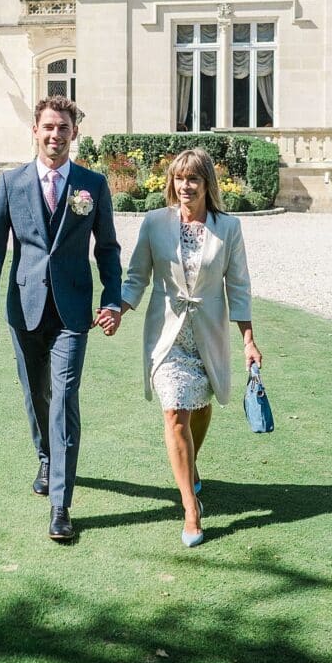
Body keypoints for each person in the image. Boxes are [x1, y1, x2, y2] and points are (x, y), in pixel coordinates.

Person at [0, 96, 122, 542]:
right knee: (35, 395)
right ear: (35, 131)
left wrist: (112, 300)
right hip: (25, 309)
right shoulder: (11, 183)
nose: (55, 135)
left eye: (63, 128)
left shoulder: (92, 185)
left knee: (64, 401)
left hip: (75, 313)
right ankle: (45, 457)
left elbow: (108, 250)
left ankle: (61, 505)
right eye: (48, 127)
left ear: (74, 133)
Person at [112, 148, 262, 548]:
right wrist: (119, 309)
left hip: (208, 334)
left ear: (207, 184)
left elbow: (239, 286)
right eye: (179, 178)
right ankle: (191, 507)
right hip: (166, 335)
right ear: (171, 183)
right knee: (175, 410)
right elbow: (136, 277)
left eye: (193, 179)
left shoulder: (228, 228)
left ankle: (191, 464)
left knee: (199, 406)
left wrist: (248, 340)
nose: (185, 186)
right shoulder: (154, 223)